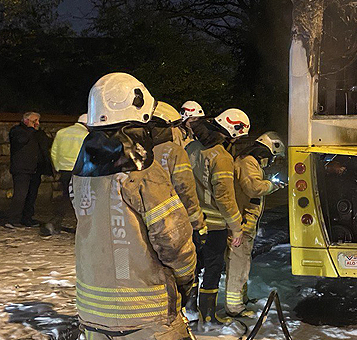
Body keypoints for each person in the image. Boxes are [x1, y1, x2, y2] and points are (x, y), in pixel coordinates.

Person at [72, 73, 196, 339]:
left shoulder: (81, 172)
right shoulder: (145, 174)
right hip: (144, 317)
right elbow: (173, 239)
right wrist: (186, 280)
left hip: (92, 313)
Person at [185, 108, 249, 329]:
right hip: (213, 226)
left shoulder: (190, 148)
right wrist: (236, 227)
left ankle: (190, 310)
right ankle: (209, 316)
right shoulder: (221, 157)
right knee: (212, 269)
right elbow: (224, 197)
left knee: (192, 267)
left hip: (189, 223)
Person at [150, 101, 207, 322]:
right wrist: (198, 225)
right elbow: (186, 193)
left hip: (149, 221)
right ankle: (186, 311)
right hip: (176, 221)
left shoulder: (141, 151)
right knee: (185, 268)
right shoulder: (175, 151)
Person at [223, 131, 286, 321]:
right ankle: (234, 307)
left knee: (243, 263)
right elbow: (253, 188)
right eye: (272, 155)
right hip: (241, 222)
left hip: (245, 221)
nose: (271, 160)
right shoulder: (248, 162)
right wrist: (272, 185)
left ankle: (240, 300)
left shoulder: (250, 161)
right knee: (238, 264)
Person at [4, 112, 52, 228]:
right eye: (34, 121)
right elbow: (21, 141)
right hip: (22, 169)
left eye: (38, 121)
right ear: (26, 121)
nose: (37, 123)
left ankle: (27, 218)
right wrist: (31, 130)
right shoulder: (17, 131)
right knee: (20, 194)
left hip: (35, 169)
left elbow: (46, 143)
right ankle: (12, 219)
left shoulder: (37, 133)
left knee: (31, 195)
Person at [43, 114, 88, 236]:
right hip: (81, 171)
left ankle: (55, 222)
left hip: (65, 170)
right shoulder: (87, 135)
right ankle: (82, 226)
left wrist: (58, 167)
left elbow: (54, 152)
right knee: (83, 199)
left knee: (66, 196)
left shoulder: (62, 133)